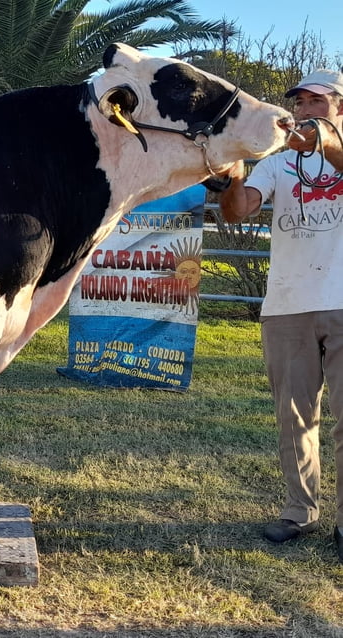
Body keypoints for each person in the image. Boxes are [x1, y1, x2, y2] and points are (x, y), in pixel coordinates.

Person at [219, 69, 343, 563]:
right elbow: (237, 211)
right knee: (295, 418)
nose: (308, 108)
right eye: (301, 101)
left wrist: (311, 137)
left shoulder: (326, 145)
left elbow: (330, 147)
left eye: (319, 100)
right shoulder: (280, 161)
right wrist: (230, 172)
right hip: (287, 303)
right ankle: (299, 510)